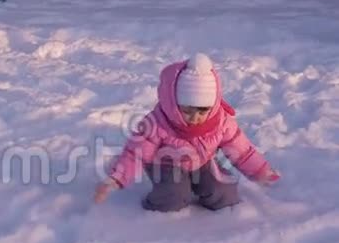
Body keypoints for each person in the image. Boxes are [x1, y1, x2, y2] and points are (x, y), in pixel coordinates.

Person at [94, 53, 280, 211]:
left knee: (224, 195)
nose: (195, 117)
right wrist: (116, 179)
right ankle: (153, 203)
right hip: (166, 165)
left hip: (202, 162)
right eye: (187, 110)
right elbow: (136, 153)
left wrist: (260, 171)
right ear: (174, 103)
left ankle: (201, 184)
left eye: (202, 111)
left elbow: (241, 150)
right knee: (173, 197)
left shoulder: (221, 122)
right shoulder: (157, 122)